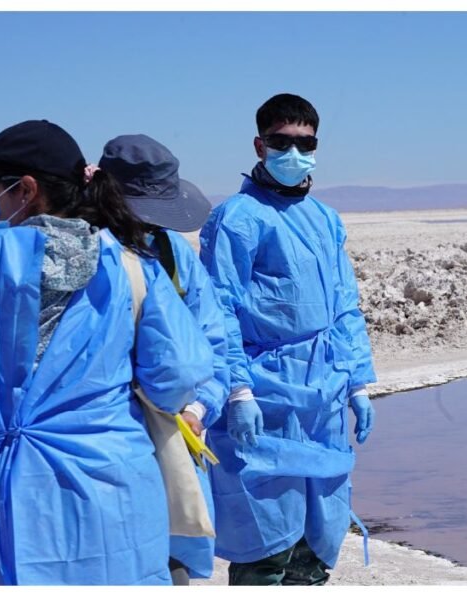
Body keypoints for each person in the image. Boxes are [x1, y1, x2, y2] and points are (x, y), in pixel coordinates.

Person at [0, 119, 213, 584]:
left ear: (24, 190)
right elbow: (176, 375)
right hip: (116, 495)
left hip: (7, 503)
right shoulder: (130, 263)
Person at [199, 93, 377, 585]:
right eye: (282, 142)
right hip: (267, 392)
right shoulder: (236, 218)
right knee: (266, 541)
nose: (293, 152)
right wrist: (237, 390)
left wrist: (358, 381)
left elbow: (344, 303)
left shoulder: (325, 218)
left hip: (323, 394)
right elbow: (219, 311)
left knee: (317, 539)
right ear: (260, 145)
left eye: (304, 142)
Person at [98, 134, 230, 585]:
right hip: (100, 450)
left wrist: (198, 408)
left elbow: (215, 344)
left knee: (166, 561)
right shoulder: (84, 256)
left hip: (169, 442)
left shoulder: (176, 256)